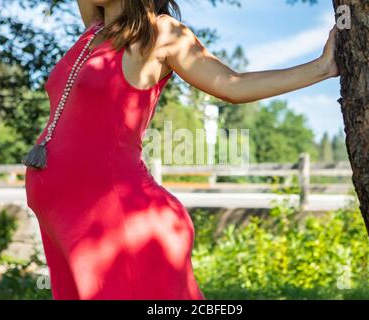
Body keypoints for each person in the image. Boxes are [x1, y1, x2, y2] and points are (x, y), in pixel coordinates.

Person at [24, 0, 339, 300]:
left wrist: (322, 67)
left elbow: (233, 84)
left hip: (120, 221)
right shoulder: (95, 29)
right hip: (66, 222)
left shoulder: (162, 34)